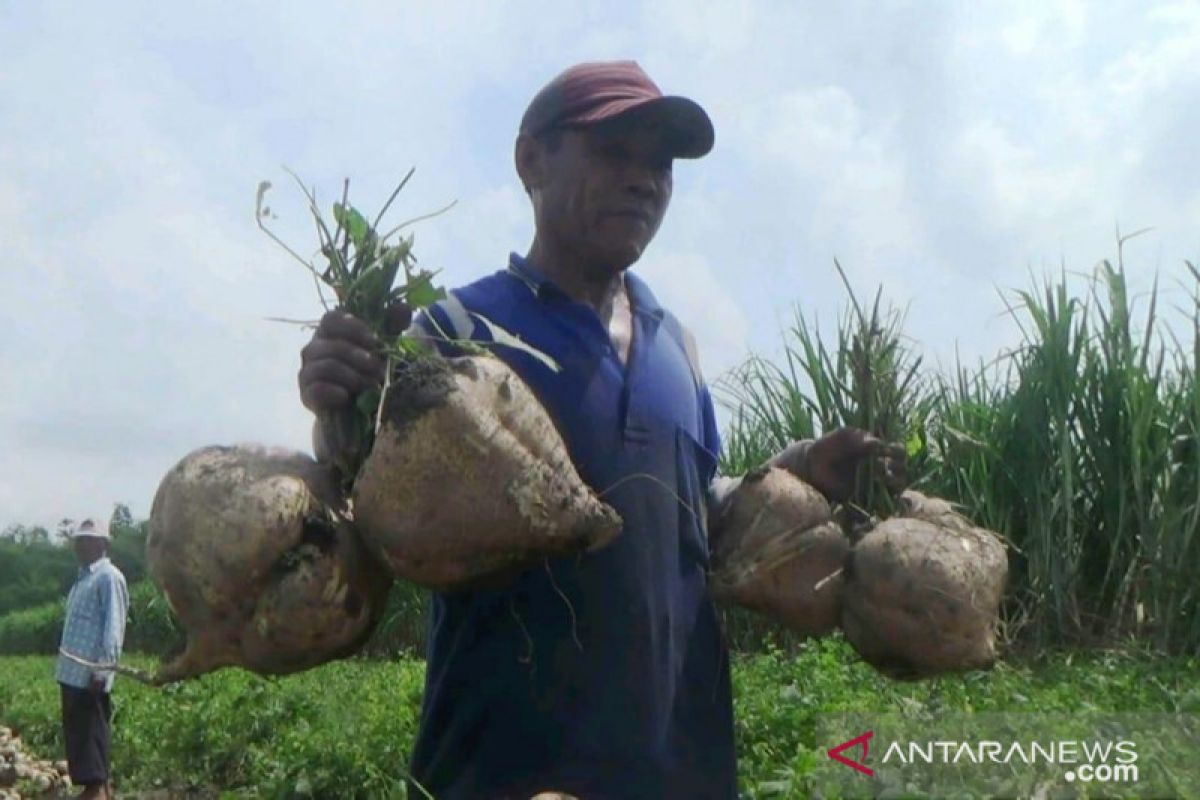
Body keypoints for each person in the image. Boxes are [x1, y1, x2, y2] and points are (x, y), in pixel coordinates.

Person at [298, 60, 903, 800]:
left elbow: (692, 515)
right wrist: (338, 407)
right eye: (614, 153)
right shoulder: (454, 331)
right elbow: (367, 501)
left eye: (660, 164)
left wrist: (800, 467)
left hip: (683, 764)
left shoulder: (675, 345)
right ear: (531, 160)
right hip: (507, 769)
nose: (644, 180)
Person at [55, 518, 129, 800]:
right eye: (79, 541)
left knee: (90, 744)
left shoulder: (109, 577)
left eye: (87, 540)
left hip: (90, 677)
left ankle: (95, 792)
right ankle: (99, 791)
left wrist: (102, 673)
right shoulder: (82, 578)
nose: (81, 546)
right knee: (81, 740)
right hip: (71, 674)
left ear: (102, 544)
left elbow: (113, 629)